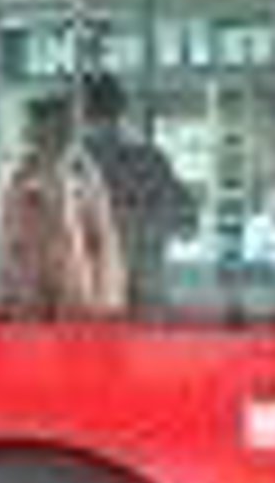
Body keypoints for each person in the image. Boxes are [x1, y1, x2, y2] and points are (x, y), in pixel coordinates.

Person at [0, 93, 127, 319]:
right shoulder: (22, 176)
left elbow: (103, 242)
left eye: (47, 129)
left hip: (79, 296)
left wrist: (105, 298)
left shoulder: (84, 175)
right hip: (30, 298)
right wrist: (7, 289)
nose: (37, 137)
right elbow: (11, 239)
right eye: (36, 130)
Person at [80, 74, 195, 311]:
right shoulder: (150, 160)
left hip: (91, 298)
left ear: (83, 113)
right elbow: (187, 224)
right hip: (143, 294)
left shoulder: (72, 165)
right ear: (122, 109)